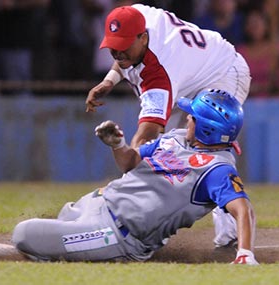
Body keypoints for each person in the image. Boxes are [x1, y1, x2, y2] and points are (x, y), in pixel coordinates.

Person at [13, 89, 259, 265]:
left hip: (116, 235)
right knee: (59, 221)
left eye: (193, 116)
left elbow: (242, 209)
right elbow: (130, 162)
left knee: (25, 234)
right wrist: (118, 144)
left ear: (206, 128)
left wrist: (245, 253)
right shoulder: (176, 137)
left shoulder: (217, 169)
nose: (187, 117)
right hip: (97, 203)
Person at [85, 4, 250, 249]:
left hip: (223, 71)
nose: (117, 53)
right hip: (190, 71)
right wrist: (109, 80)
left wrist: (127, 163)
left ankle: (230, 237)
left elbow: (144, 137)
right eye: (113, 46)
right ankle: (138, 205)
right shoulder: (136, 15)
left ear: (143, 38)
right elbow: (124, 54)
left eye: (124, 46)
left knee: (213, 146)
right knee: (170, 146)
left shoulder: (159, 75)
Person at [237, 8, 279, 97]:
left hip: (276, 100)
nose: (254, 27)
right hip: (248, 101)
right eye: (250, 23)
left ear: (266, 26)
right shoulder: (239, 51)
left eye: (257, 23)